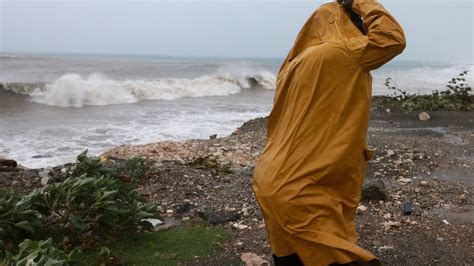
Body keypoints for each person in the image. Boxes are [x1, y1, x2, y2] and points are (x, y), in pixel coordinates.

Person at [252, 0, 406, 265]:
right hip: (302, 184)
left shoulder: (293, 64)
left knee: (291, 257)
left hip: (270, 176)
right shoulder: (345, 51)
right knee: (339, 256)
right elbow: (391, 38)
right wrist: (361, 2)